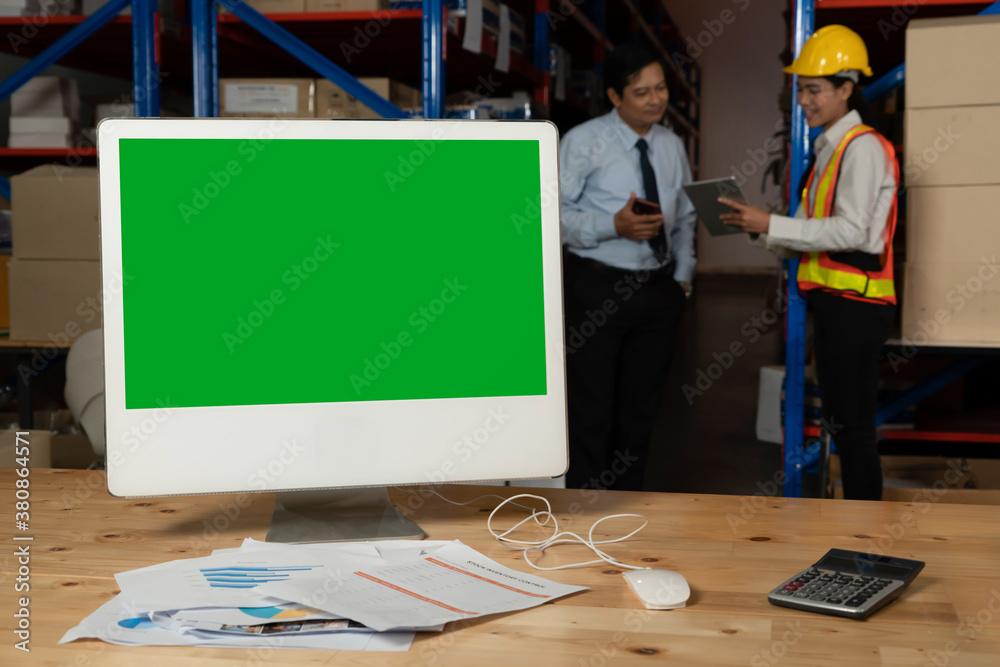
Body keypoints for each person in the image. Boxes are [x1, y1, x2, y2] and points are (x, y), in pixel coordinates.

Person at [720, 25, 898, 501]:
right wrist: (756, 227)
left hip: (857, 305)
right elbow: (804, 236)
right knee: (841, 424)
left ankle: (866, 546)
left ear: (846, 89)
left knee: (854, 430)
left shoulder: (862, 148)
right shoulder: (829, 151)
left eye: (814, 89)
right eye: (800, 88)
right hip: (836, 304)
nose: (804, 100)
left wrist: (772, 224)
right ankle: (855, 535)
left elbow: (852, 232)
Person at [559, 42, 696, 491]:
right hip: (596, 287)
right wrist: (611, 225)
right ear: (616, 97)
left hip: (658, 291)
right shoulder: (581, 142)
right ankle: (583, 507)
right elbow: (550, 216)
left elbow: (686, 217)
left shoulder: (672, 144)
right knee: (591, 408)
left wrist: (682, 279)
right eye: (641, 92)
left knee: (641, 408)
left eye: (660, 88)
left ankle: (627, 508)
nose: (656, 99)